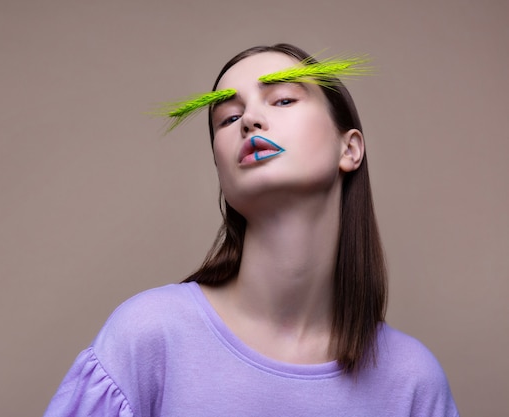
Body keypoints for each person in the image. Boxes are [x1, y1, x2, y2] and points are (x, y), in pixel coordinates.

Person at [43, 43, 460, 417]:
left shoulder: (412, 382)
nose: (250, 120)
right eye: (229, 117)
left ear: (348, 149)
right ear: (220, 169)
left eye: (281, 99)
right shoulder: (148, 337)